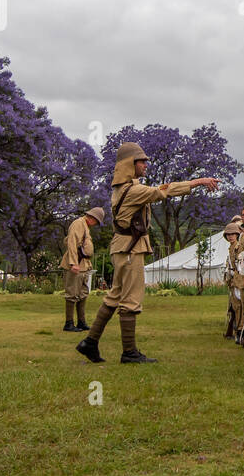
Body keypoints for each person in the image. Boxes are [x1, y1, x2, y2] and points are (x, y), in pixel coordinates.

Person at [77, 141, 218, 364]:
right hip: (131, 248)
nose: (145, 165)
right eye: (141, 161)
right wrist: (198, 182)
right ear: (128, 165)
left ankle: (90, 342)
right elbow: (165, 191)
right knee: (131, 299)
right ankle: (129, 352)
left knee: (114, 296)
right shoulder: (132, 191)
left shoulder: (121, 189)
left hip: (122, 247)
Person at [60, 207, 104, 332]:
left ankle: (81, 321)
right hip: (76, 264)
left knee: (82, 293)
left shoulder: (85, 226)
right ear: (92, 218)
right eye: (96, 221)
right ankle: (69, 323)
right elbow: (72, 243)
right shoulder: (78, 224)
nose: (95, 224)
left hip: (83, 264)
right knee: (72, 293)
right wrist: (73, 263)